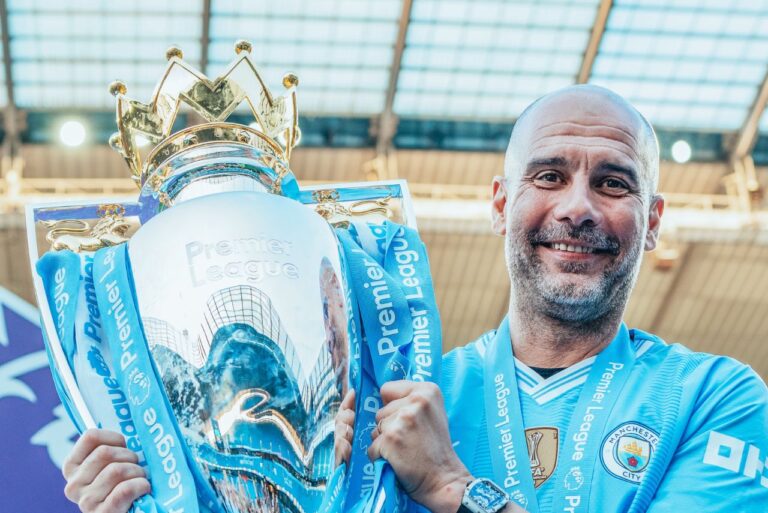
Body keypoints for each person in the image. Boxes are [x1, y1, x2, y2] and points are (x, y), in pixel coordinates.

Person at [61, 85, 768, 513]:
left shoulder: (716, 396)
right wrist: (164, 494)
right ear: (501, 203)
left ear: (653, 222)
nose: (577, 207)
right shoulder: (385, 403)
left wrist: (454, 487)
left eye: (614, 183)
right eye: (549, 175)